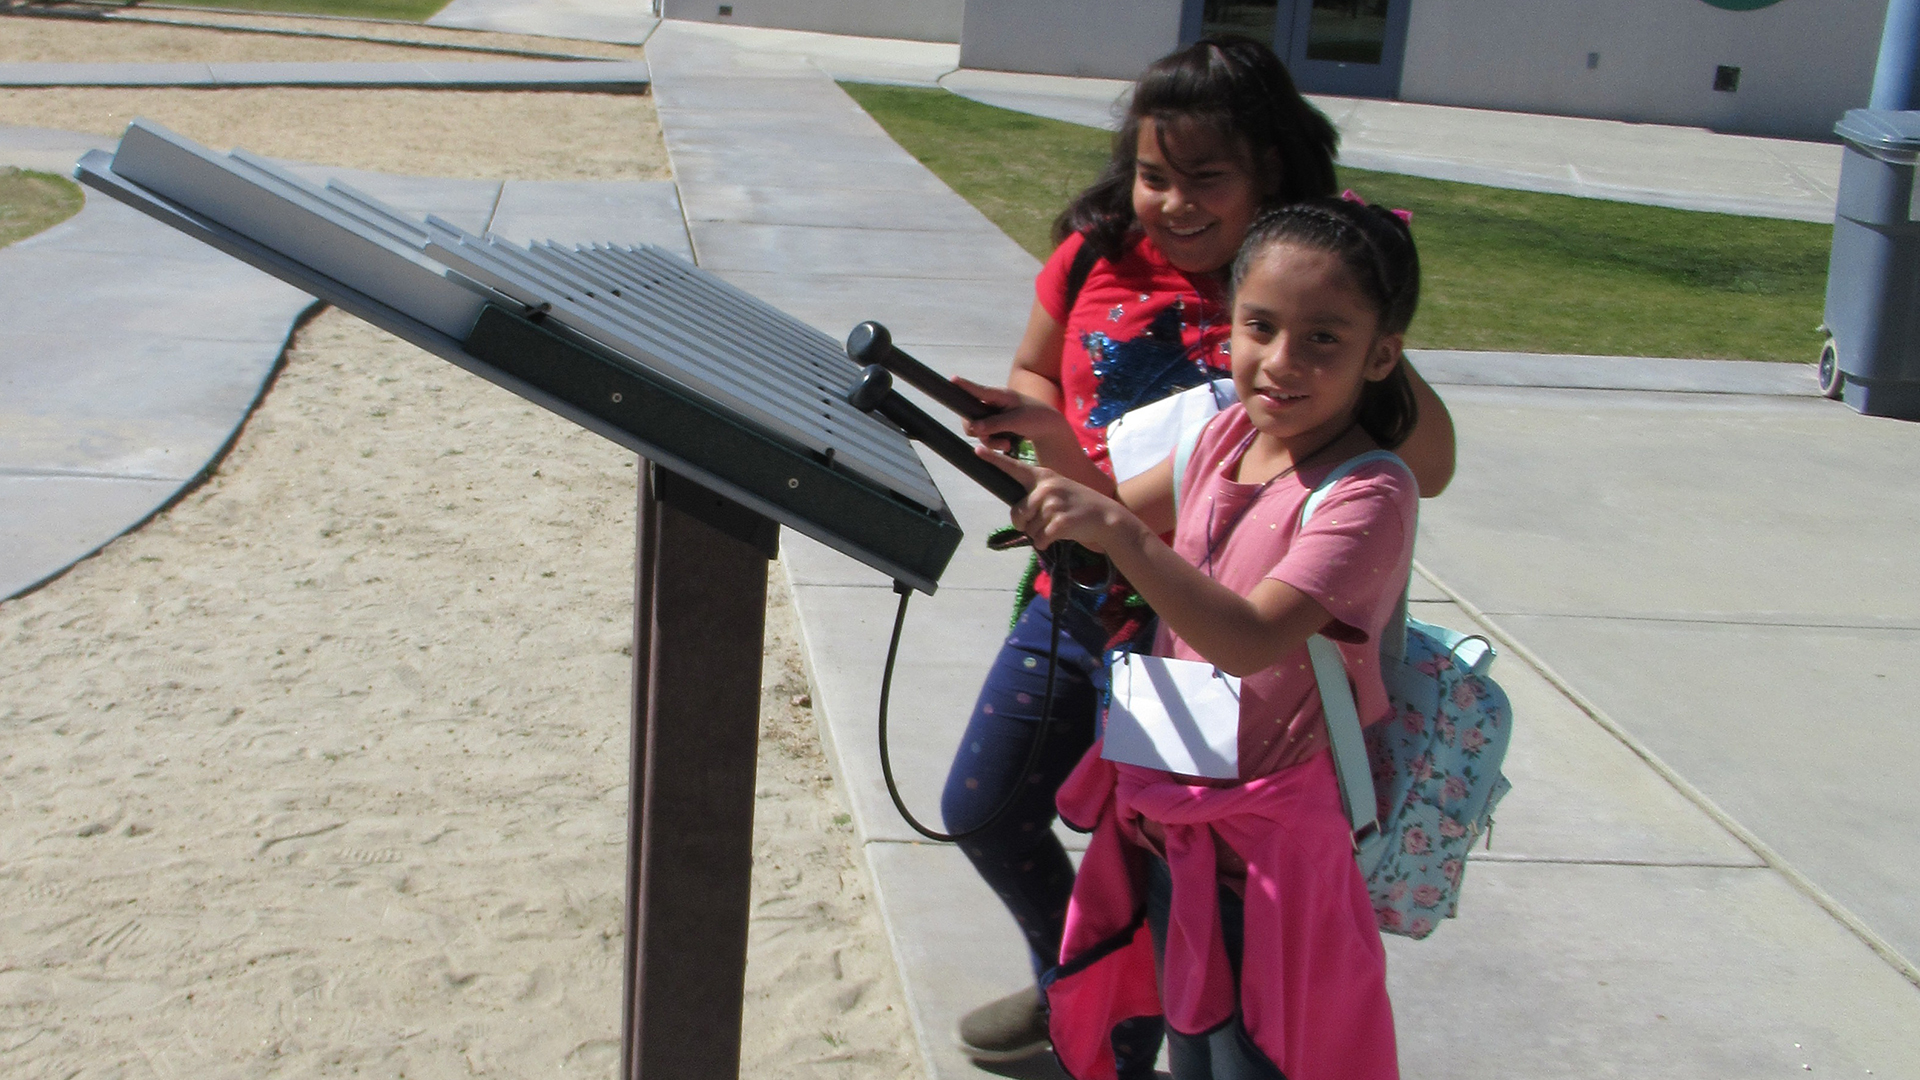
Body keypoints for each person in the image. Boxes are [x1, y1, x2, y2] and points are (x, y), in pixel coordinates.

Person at [937, 36, 1454, 1071]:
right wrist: (1046, 445)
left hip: (1269, 831)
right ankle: (1081, 1008)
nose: (1280, 359)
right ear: (1230, 328)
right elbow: (1109, 492)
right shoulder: (1221, 430)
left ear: (1377, 352)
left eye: (1323, 339)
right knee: (1189, 1027)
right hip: (1175, 785)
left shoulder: (1363, 488)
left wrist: (1119, 532)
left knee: (1254, 1047)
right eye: (1258, 327)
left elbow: (1252, 637)